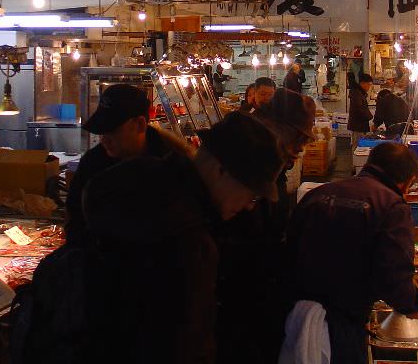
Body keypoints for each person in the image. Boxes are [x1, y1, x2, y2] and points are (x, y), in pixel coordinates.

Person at [80, 111, 287, 364]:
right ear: (221, 171)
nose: (249, 206)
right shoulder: (189, 242)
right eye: (251, 195)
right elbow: (185, 346)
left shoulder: (146, 180)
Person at [286, 142, 418, 363]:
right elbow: (393, 275)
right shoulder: (391, 206)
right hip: (342, 327)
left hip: (295, 319)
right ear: (406, 181)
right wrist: (417, 304)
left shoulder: (317, 195)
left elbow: (288, 250)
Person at [217, 88, 316, 364]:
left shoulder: (276, 170)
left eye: (303, 141)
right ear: (273, 128)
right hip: (239, 298)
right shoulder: (244, 165)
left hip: (260, 290)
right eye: (296, 138)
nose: (299, 147)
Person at [65, 83, 192, 237]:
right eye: (102, 132)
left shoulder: (173, 165)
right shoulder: (93, 163)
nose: (104, 140)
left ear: (139, 125)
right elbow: (76, 222)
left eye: (112, 131)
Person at [348, 73, 373, 144]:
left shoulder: (359, 93)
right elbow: (359, 109)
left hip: (360, 125)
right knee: (357, 145)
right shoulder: (357, 93)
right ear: (363, 83)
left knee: (359, 144)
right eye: (369, 84)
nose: (369, 87)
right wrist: (369, 116)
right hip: (358, 125)